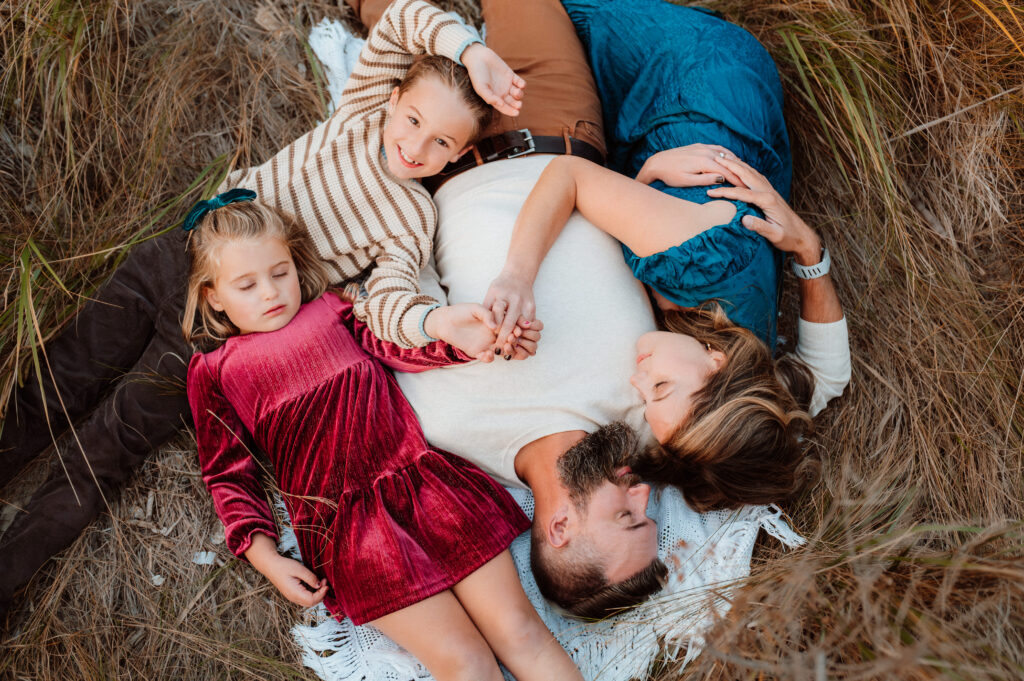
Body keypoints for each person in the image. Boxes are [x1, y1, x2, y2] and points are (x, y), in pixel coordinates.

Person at [0, 0, 529, 618]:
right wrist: (471, 51)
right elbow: (401, 18)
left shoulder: (413, 218)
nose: (415, 146)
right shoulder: (358, 115)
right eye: (412, 120)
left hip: (218, 327)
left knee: (106, 445)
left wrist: (437, 322)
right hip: (179, 256)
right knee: (62, 373)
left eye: (441, 142)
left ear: (459, 155)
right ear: (391, 99)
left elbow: (390, 300)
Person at [183, 194, 579, 681]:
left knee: (520, 632)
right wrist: (266, 558)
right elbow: (226, 473)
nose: (270, 292)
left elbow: (397, 345)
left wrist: (462, 343)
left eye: (280, 272)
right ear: (213, 296)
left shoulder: (332, 308)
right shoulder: (215, 371)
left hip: (427, 486)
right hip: (350, 532)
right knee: (465, 664)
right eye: (246, 285)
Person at [480, 0, 851, 512]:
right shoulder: (700, 260)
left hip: (722, 122)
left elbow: (829, 379)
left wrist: (810, 252)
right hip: (689, 74)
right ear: (716, 364)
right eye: (658, 386)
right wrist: (517, 276)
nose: (637, 380)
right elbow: (567, 177)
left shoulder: (760, 385)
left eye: (646, 395)